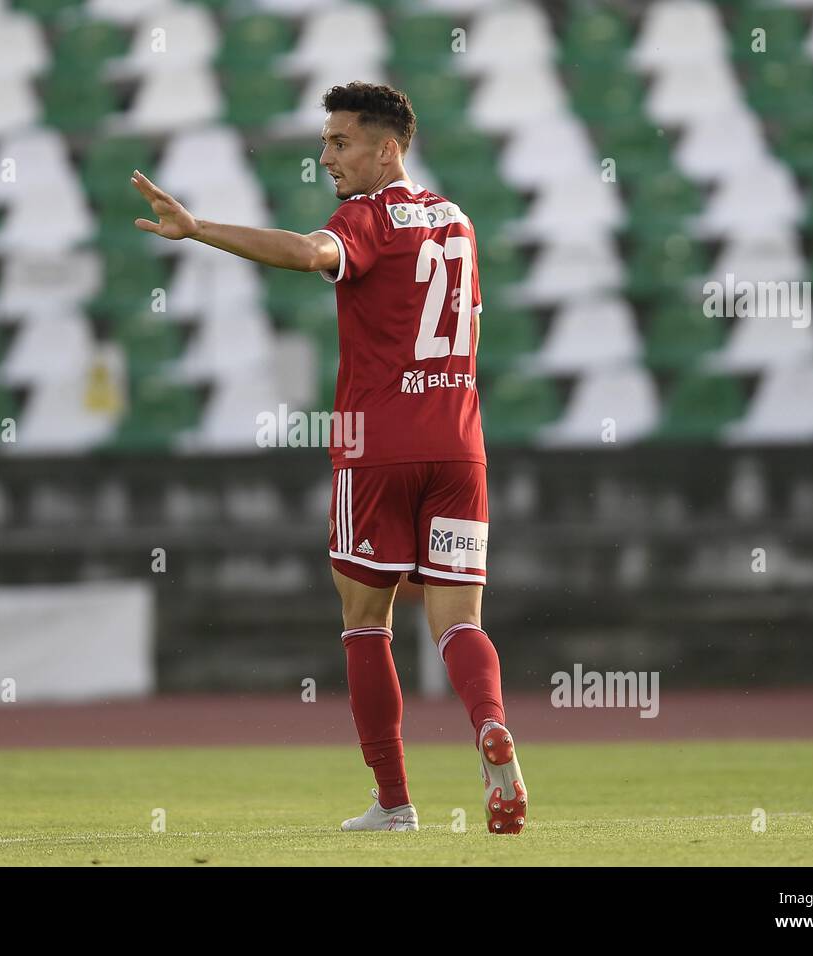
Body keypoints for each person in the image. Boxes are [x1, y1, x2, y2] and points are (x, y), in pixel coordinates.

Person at [130, 81, 526, 835]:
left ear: (388, 149)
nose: (326, 157)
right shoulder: (459, 222)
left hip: (378, 444)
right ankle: (489, 728)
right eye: (325, 142)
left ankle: (395, 801)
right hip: (460, 442)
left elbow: (310, 253)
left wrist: (199, 228)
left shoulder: (366, 218)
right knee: (458, 620)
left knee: (363, 618)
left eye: (341, 143)